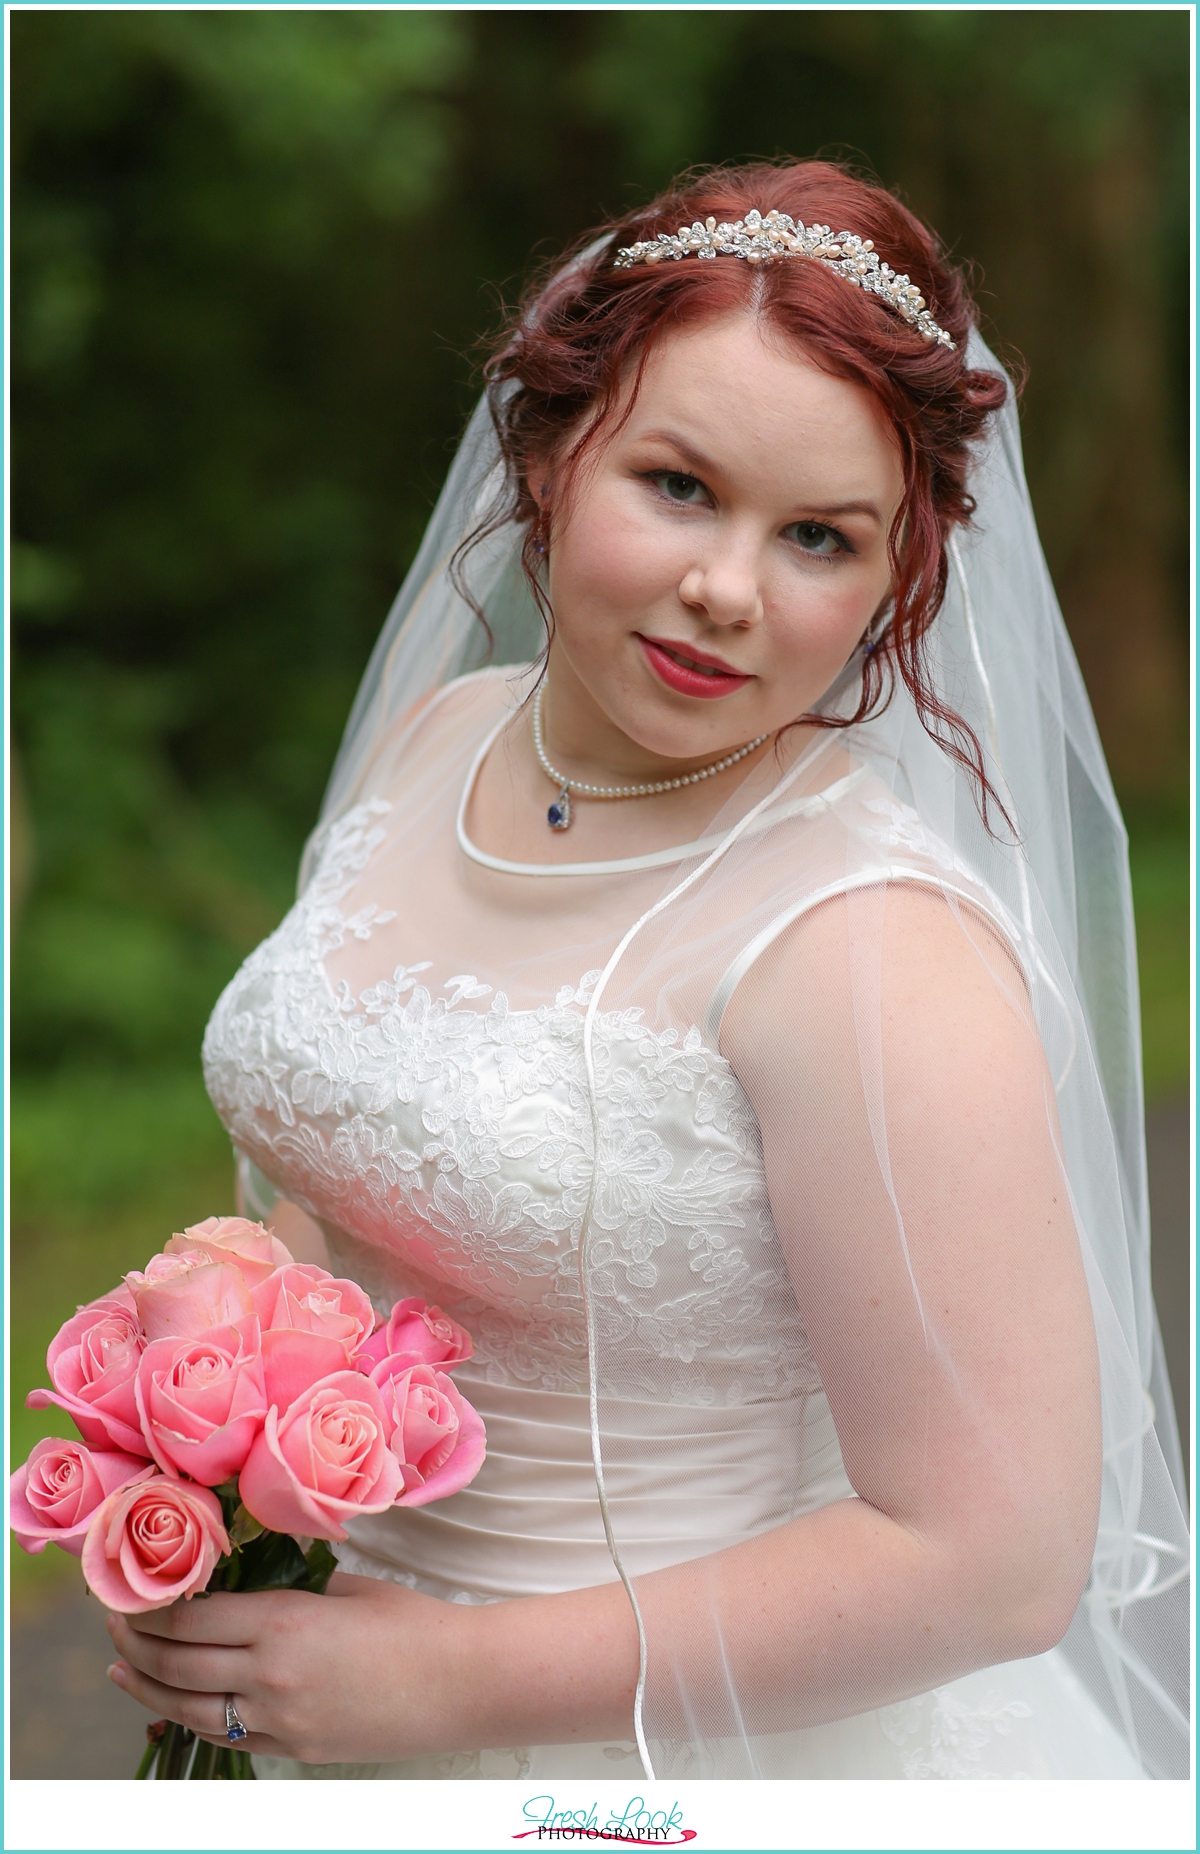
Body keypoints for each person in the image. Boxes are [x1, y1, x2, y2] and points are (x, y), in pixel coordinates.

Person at [105, 160, 1189, 1780]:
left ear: (902, 574)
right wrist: (209, 1492)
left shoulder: (869, 950)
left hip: (671, 1764)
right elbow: (333, 1222)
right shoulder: (444, 737)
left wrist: (457, 1685)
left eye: (819, 535)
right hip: (323, 1691)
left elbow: (1000, 1558)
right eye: (679, 485)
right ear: (548, 449)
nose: (730, 591)